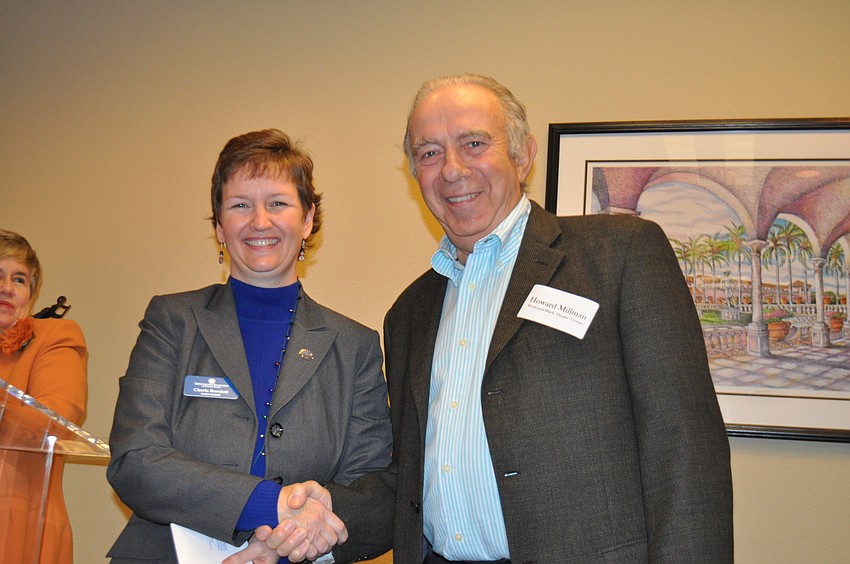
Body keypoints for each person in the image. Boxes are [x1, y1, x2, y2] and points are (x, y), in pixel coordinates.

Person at [255, 74, 734, 564]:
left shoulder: (619, 255)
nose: (452, 170)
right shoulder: (408, 314)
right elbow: (408, 483)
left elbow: (686, 449)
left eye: (474, 143)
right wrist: (313, 519)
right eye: (429, 153)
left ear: (523, 156)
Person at [106, 129, 392, 563]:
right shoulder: (172, 321)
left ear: (308, 219)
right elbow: (135, 459)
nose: (260, 221)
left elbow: (374, 491)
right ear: (220, 227)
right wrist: (272, 505)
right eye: (240, 205)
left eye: (278, 203)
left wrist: (283, 547)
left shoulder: (355, 345)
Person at [0, 229, 88, 564]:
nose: (7, 287)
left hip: (20, 525)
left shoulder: (55, 337)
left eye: (19, 279)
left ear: (31, 295)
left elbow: (55, 422)